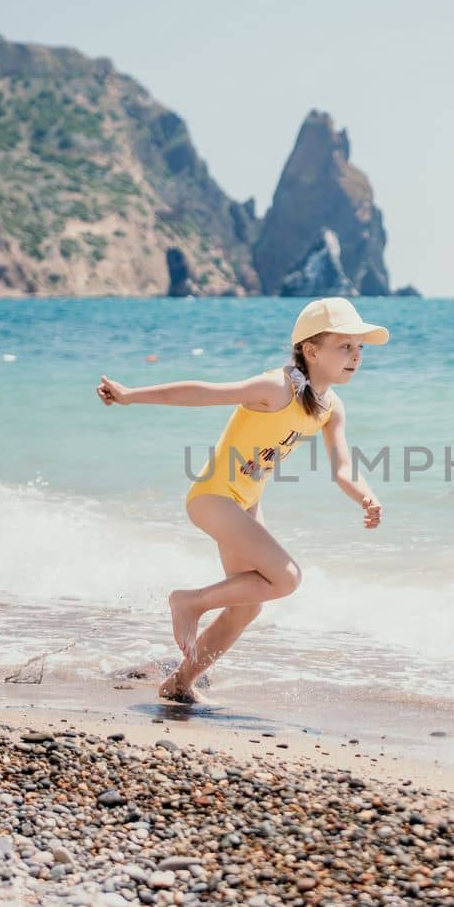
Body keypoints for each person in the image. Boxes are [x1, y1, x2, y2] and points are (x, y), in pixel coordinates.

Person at [96, 297, 388, 702]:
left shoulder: (329, 407)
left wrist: (366, 497)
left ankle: (180, 683)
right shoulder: (277, 386)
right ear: (311, 350)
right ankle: (189, 602)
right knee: (286, 578)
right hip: (213, 498)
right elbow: (202, 393)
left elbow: (343, 467)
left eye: (360, 348)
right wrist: (130, 395)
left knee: (247, 605)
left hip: (245, 502)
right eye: (346, 346)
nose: (356, 356)